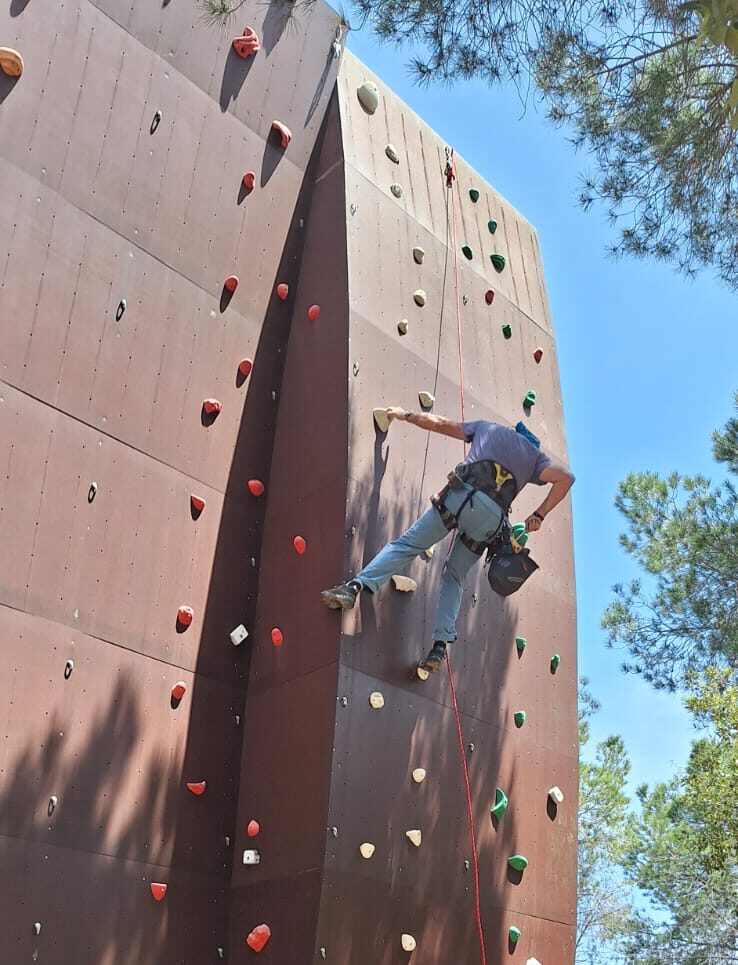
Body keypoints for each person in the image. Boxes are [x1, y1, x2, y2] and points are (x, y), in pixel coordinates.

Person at [321, 406, 575, 672]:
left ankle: (354, 587)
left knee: (407, 546)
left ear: (514, 431)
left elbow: (439, 423)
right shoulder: (535, 458)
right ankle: (440, 646)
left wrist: (403, 414)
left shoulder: (487, 428)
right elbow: (566, 478)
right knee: (454, 575)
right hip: (489, 523)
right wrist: (540, 514)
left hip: (459, 499)